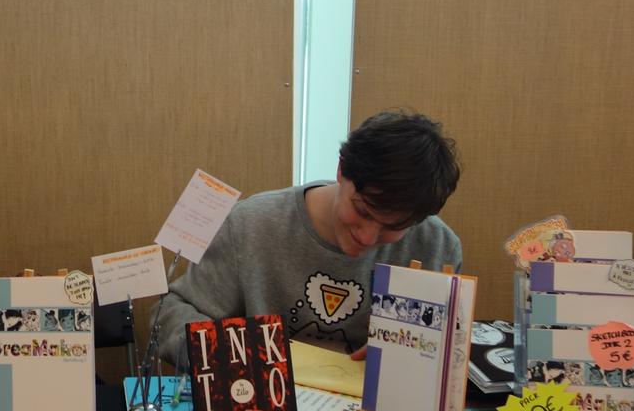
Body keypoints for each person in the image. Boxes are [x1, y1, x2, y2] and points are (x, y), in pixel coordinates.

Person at [158, 111, 462, 366]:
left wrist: (420, 356)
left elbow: (447, 350)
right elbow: (170, 313)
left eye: (393, 227)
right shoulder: (251, 225)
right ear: (341, 169)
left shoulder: (437, 246)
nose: (368, 236)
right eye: (362, 211)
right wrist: (223, 351)